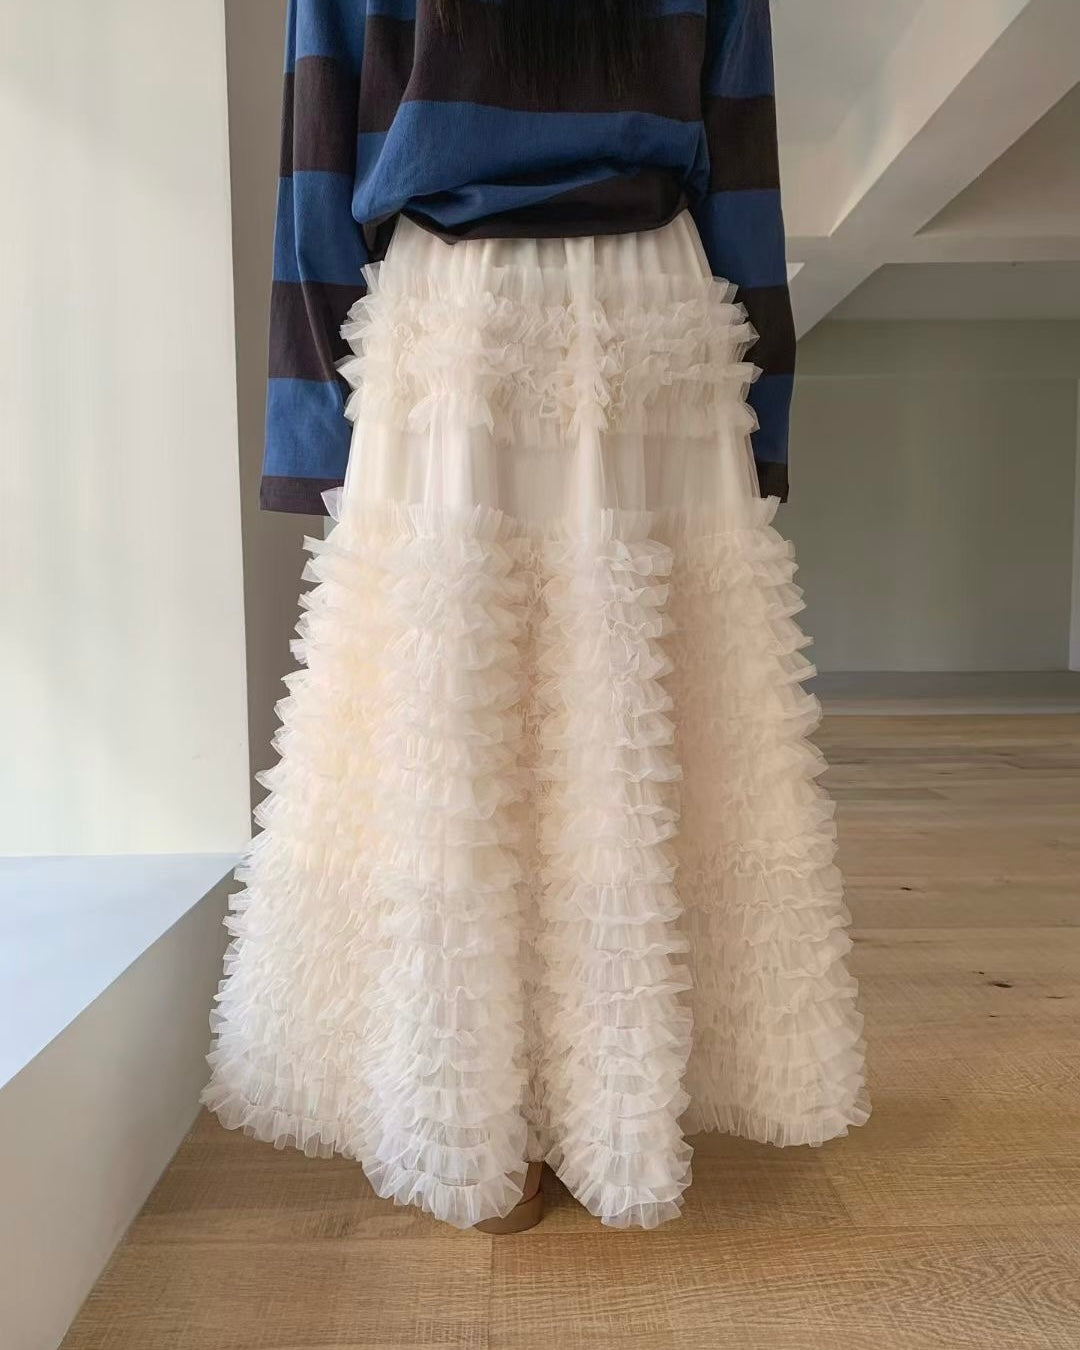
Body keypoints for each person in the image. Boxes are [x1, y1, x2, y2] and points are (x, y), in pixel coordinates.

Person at [203, 0, 868, 1233]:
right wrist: (761, 426)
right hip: (513, 312)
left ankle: (579, 1105)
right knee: (509, 722)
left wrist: (759, 413)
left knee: (588, 724)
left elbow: (739, 151)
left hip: (573, 312)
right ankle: (497, 1108)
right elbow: (320, 152)